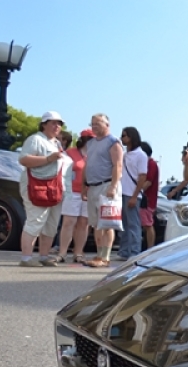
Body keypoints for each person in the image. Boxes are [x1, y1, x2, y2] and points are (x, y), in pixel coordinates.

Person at [16, 112, 68, 267]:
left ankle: (44, 256)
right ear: (43, 124)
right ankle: (26, 258)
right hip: (36, 185)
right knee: (35, 220)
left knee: (51, 223)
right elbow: (23, 159)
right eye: (53, 123)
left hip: (54, 186)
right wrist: (47, 159)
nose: (57, 126)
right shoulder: (35, 139)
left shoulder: (56, 143)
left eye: (59, 123)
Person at [81, 113, 124, 268]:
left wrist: (113, 186)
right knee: (96, 224)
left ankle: (105, 257)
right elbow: (87, 165)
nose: (94, 126)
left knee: (107, 223)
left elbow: (118, 165)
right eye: (92, 123)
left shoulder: (113, 142)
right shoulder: (91, 143)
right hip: (93, 186)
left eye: (98, 123)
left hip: (107, 186)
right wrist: (83, 185)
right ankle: (99, 255)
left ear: (107, 124)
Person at [54, 129, 91, 264]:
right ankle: (62, 252)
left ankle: (79, 252)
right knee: (69, 221)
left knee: (83, 223)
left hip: (88, 193)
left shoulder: (94, 156)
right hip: (72, 191)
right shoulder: (71, 153)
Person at [118, 126, 149, 259]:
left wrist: (135, 196)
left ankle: (135, 251)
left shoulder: (140, 155)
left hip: (132, 194)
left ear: (131, 137)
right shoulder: (125, 154)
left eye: (124, 135)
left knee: (133, 224)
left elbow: (142, 176)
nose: (122, 138)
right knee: (124, 224)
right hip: (122, 192)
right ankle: (124, 251)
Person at [139, 142, 160, 249]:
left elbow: (148, 182)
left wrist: (138, 190)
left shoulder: (151, 164)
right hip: (145, 199)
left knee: (148, 224)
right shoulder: (149, 163)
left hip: (147, 200)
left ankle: (150, 247)